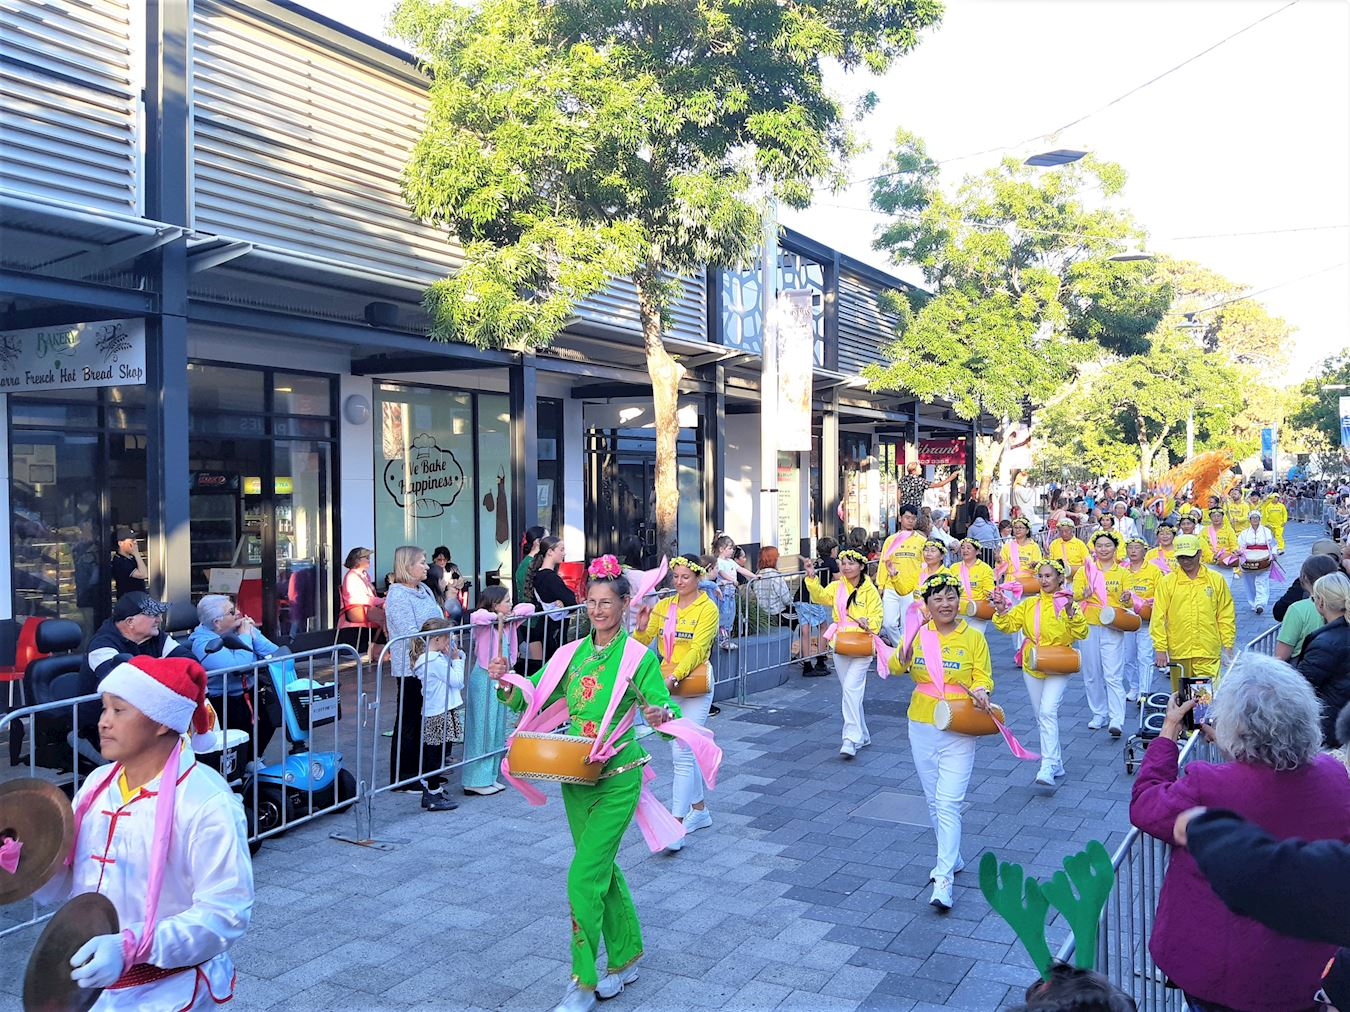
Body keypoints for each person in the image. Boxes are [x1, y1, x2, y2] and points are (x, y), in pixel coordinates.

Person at [488, 559, 687, 1012]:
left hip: (618, 778)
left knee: (583, 875)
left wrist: (660, 715)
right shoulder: (570, 654)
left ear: (624, 603)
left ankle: (582, 981)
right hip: (575, 776)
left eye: (606, 602)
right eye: (591, 602)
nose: (597, 610)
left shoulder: (637, 657)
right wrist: (504, 679)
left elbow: (664, 712)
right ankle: (627, 955)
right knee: (600, 870)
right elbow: (530, 694)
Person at [1129, 656, 1350, 1011]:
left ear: (1237, 728)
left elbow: (1146, 805)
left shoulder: (1209, 785)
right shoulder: (1334, 776)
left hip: (1219, 974)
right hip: (1302, 971)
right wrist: (1232, 745)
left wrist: (1168, 730)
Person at [36, 655, 254, 1009]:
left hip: (169, 992)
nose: (103, 722)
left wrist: (130, 946)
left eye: (119, 710)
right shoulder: (97, 785)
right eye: (104, 708)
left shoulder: (206, 802)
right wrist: (30, 862)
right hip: (92, 987)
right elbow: (70, 878)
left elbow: (225, 913)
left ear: (162, 722)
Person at [891, 572, 994, 909]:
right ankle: (952, 856)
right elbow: (894, 666)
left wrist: (982, 690)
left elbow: (983, 675)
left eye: (951, 597)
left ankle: (944, 878)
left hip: (959, 724)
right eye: (938, 598)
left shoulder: (973, 637)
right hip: (922, 723)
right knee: (934, 801)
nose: (945, 604)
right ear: (927, 604)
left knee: (949, 802)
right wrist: (905, 649)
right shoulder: (919, 633)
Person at [635, 555, 719, 850]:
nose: (679, 581)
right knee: (684, 751)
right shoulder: (663, 606)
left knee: (682, 752)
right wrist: (641, 627)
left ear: (698, 578)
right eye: (676, 576)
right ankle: (700, 810)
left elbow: (698, 648)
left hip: (694, 685)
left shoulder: (707, 608)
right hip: (666, 685)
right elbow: (641, 643)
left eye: (686, 576)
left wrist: (676, 676)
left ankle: (676, 825)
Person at [994, 560, 1088, 785]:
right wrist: (1001, 610)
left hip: (1058, 662)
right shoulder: (1030, 604)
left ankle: (1048, 765)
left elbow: (1082, 633)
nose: (1044, 580)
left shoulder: (1068, 603)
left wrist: (1070, 613)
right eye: (1041, 576)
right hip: (1033, 662)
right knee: (1041, 715)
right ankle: (1057, 763)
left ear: (1059, 578)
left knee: (1047, 711)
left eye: (1048, 576)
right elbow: (1009, 625)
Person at [76, 592, 196, 758]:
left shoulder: (157, 637)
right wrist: (164, 666)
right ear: (130, 622)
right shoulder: (101, 644)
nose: (159, 619)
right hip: (102, 728)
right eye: (152, 615)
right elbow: (123, 682)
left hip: (147, 721)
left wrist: (151, 668)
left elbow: (191, 662)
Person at [384, 545, 454, 807]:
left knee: (429, 715)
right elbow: (410, 632)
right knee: (410, 717)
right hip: (412, 666)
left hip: (433, 661)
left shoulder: (423, 589)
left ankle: (426, 770)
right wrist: (437, 646)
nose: (427, 567)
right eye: (422, 562)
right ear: (407, 566)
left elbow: (437, 619)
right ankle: (404, 775)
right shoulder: (398, 596)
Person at [804, 547, 883, 759]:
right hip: (840, 643)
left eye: (851, 563)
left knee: (850, 689)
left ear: (861, 566)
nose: (846, 567)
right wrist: (811, 578)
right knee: (850, 692)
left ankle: (850, 738)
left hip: (862, 645)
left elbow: (878, 616)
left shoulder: (870, 590)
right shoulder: (837, 586)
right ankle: (863, 734)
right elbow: (820, 597)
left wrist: (869, 623)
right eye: (844, 563)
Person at [189, 594, 281, 758]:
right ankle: (242, 766)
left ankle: (254, 760)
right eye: (232, 612)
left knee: (269, 722)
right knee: (236, 740)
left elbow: (274, 652)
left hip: (250, 692)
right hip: (224, 700)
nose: (238, 612)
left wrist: (252, 634)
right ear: (217, 622)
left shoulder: (238, 628)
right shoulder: (202, 643)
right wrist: (245, 636)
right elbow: (238, 666)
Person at [1150, 534, 1236, 693]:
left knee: (1205, 698)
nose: (1186, 561)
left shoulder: (1216, 580)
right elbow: (1158, 617)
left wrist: (1228, 645)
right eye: (1181, 557)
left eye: (1190, 556)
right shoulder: (1167, 582)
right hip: (1179, 650)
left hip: (1207, 650)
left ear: (1199, 554)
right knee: (1181, 697)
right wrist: (1160, 648)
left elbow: (1225, 614)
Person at [1072, 531, 1131, 735]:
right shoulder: (1085, 571)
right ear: (1094, 548)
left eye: (1108, 545)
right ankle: (1099, 713)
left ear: (1115, 548)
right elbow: (1074, 596)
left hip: (1113, 625)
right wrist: (1083, 594)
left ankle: (1116, 718)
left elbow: (1130, 600)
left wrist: (1126, 598)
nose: (1103, 549)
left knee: (1113, 674)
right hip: (1089, 624)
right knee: (1092, 673)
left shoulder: (1123, 572)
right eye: (1099, 546)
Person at [407, 616, 465, 810]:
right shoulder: (433, 661)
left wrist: (455, 657)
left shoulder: (434, 658)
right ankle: (432, 792)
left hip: (439, 709)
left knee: (437, 752)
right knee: (435, 754)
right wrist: (456, 660)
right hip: (439, 711)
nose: (450, 641)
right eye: (448, 637)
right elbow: (457, 681)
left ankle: (433, 790)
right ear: (437, 639)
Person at [1294, 572, 1350, 747]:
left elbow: (1300, 685)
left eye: (1314, 598)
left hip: (1331, 725)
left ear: (1321, 602)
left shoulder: (1324, 644)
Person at [876, 505, 926, 646]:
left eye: (913, 518)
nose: (910, 521)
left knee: (907, 625)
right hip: (891, 586)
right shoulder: (891, 540)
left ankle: (904, 653)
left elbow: (925, 565)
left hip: (911, 588)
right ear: (900, 518)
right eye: (907, 517)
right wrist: (881, 585)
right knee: (888, 623)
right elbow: (884, 562)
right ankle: (901, 650)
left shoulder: (921, 541)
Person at [1274, 554, 1340, 660]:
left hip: (1304, 665)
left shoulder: (1297, 610)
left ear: (1304, 577)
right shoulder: (1343, 603)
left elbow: (1281, 656)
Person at [1120, 537, 1162, 702]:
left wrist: (1151, 602)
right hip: (1126, 619)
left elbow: (1161, 593)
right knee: (1128, 657)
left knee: (1144, 656)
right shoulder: (1122, 569)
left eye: (1137, 547)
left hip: (1146, 620)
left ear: (1145, 550)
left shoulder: (1153, 570)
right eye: (1130, 547)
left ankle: (1144, 692)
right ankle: (1134, 687)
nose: (1133, 551)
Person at [526, 535, 578, 660]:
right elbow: (571, 600)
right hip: (555, 629)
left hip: (546, 626)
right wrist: (565, 601)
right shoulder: (550, 577)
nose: (564, 553)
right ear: (550, 552)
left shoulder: (538, 574)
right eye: (561, 550)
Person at [795, 538, 837, 676]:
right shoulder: (831, 562)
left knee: (805, 630)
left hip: (800, 597)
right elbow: (840, 579)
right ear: (832, 550)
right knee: (823, 627)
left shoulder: (816, 561)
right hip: (812, 599)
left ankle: (807, 664)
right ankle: (820, 660)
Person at [712, 535, 758, 648]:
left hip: (731, 593)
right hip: (723, 593)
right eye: (729, 548)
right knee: (724, 614)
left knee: (730, 615)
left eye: (732, 548)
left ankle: (727, 637)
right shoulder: (719, 561)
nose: (732, 551)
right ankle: (722, 639)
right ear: (721, 549)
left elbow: (741, 569)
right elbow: (721, 572)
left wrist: (754, 576)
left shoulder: (731, 562)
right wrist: (732, 580)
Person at [948, 538, 996, 635]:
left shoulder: (985, 568)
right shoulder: (954, 568)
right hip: (958, 610)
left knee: (975, 638)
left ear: (977, 551)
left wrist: (991, 594)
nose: (965, 550)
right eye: (963, 548)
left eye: (969, 548)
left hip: (977, 611)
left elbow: (989, 589)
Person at [338, 546, 387, 641]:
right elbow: (364, 599)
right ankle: (380, 645)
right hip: (356, 610)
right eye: (367, 557)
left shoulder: (364, 575)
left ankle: (378, 644)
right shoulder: (352, 577)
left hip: (365, 607)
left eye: (369, 557)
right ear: (357, 560)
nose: (369, 560)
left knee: (389, 615)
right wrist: (382, 601)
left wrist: (382, 602)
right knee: (385, 617)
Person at [1236, 509, 1277, 615]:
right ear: (1249, 519)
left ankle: (1260, 604)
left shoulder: (1266, 531)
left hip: (1264, 559)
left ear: (1260, 519)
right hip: (1248, 559)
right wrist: (1239, 553)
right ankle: (1253, 602)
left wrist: (1274, 553)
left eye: (1256, 517)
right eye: (1253, 518)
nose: (1254, 520)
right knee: (1249, 583)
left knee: (1262, 581)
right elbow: (1240, 546)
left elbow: (1273, 544)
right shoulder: (1244, 533)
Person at [751, 546, 793, 619]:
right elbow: (786, 599)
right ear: (774, 559)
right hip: (778, 614)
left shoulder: (756, 576)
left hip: (763, 615)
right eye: (778, 556)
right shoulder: (776, 576)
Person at [110, 525, 147, 598]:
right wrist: (136, 553)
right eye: (132, 541)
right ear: (120, 543)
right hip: (129, 600)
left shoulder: (131, 558)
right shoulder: (119, 561)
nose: (135, 542)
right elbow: (143, 574)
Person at [1201, 506, 1239, 574]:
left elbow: (1234, 544)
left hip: (1225, 563)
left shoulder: (1229, 530)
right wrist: (1212, 557)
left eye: (1218, 516)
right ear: (1210, 518)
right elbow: (1202, 546)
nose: (1216, 518)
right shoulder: (1204, 530)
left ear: (1222, 517)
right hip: (1210, 563)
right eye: (1213, 516)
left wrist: (1235, 552)